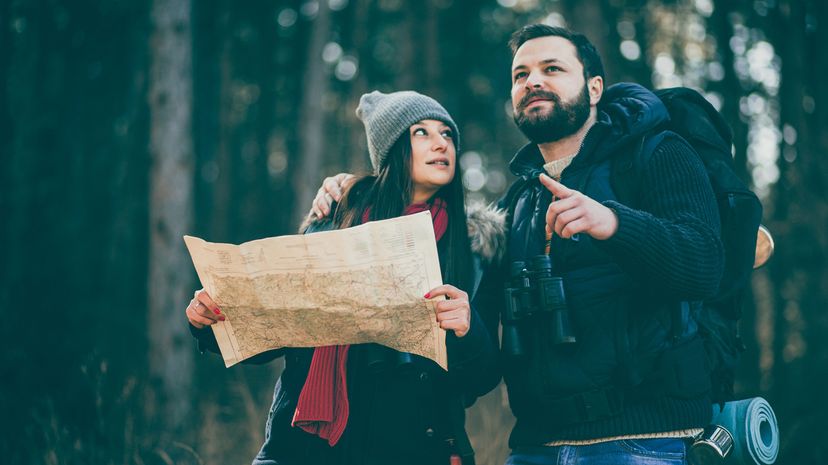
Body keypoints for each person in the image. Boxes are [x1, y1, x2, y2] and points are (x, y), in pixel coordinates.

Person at [312, 25, 725, 465]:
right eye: (520, 74)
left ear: (594, 87)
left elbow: (704, 264)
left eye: (552, 69)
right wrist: (353, 192)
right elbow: (484, 364)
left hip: (647, 439)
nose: (532, 82)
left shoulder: (657, 153)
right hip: (535, 447)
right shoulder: (516, 205)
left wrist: (613, 222)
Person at [186, 90, 503, 465]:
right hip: (301, 448)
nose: (441, 143)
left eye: (447, 134)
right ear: (391, 148)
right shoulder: (333, 221)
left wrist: (468, 332)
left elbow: (483, 378)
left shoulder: (474, 250)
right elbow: (279, 332)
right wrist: (210, 320)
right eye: (421, 133)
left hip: (412, 448)